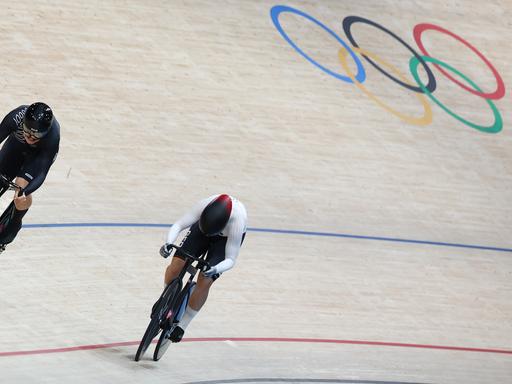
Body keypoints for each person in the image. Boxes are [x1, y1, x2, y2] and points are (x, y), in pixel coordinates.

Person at [159, 194, 247, 342]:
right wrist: (168, 243)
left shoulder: (238, 221)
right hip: (201, 230)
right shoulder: (204, 204)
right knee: (176, 265)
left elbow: (231, 259)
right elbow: (179, 225)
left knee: (205, 280)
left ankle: (183, 324)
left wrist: (216, 269)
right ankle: (166, 299)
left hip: (223, 242)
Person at [0, 102, 60, 253]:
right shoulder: (17, 117)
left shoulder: (53, 136)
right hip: (15, 147)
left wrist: (24, 191)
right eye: (27, 132)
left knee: (21, 188)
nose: (31, 138)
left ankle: (6, 233)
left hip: (37, 158)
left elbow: (41, 172)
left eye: (36, 135)